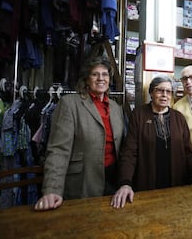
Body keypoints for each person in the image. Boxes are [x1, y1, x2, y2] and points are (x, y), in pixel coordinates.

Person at [110, 76, 192, 209]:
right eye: (159, 90)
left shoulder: (178, 118)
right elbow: (129, 152)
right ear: (151, 93)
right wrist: (125, 183)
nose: (164, 95)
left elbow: (189, 152)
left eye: (168, 91)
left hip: (176, 185)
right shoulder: (138, 115)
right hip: (147, 184)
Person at [34, 57, 125, 211]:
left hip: (112, 180)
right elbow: (58, 150)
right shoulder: (70, 104)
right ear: (86, 79)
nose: (101, 78)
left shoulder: (116, 107)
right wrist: (52, 190)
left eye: (105, 74)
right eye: (95, 74)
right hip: (83, 181)